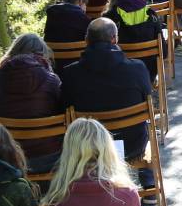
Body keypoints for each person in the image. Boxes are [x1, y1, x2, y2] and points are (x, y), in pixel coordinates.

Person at [58, 18, 154, 163]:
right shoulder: (137, 68)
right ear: (114, 39)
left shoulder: (70, 74)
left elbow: (63, 108)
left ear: (86, 40)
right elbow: (147, 97)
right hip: (132, 146)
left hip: (89, 149)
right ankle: (147, 179)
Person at [0, 34, 65, 169]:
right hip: (51, 155)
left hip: (10, 158)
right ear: (42, 55)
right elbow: (62, 110)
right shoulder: (52, 80)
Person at [104, 0, 164, 80]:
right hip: (149, 71)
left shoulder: (110, 16)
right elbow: (163, 48)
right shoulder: (150, 13)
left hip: (120, 73)